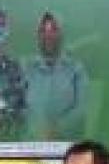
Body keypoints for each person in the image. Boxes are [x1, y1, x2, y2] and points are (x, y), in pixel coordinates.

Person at [23, 11, 89, 140]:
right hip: (30, 145)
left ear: (61, 34)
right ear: (38, 36)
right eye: (43, 31)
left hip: (67, 146)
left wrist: (57, 128)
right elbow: (17, 107)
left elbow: (81, 109)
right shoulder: (25, 69)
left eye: (54, 29)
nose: (48, 36)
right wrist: (36, 129)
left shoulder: (76, 70)